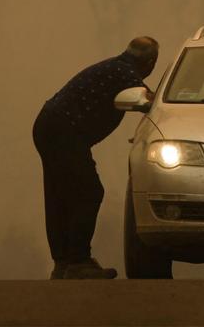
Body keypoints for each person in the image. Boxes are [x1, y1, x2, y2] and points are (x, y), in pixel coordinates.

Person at [32, 36, 159, 280]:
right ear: (150, 62)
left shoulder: (114, 66)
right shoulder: (125, 73)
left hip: (47, 124)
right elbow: (152, 103)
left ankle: (63, 263)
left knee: (60, 194)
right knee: (89, 192)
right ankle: (78, 261)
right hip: (64, 130)